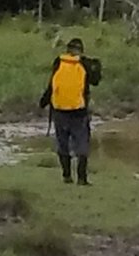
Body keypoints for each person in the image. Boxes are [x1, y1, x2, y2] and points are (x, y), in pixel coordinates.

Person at [37, 37, 102, 185]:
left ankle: (66, 176)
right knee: (82, 144)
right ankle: (81, 179)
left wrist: (43, 102)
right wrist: (97, 67)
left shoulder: (59, 62)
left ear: (67, 50)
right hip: (79, 111)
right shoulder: (84, 63)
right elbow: (95, 81)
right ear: (81, 50)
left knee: (63, 144)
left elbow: (52, 86)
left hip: (59, 110)